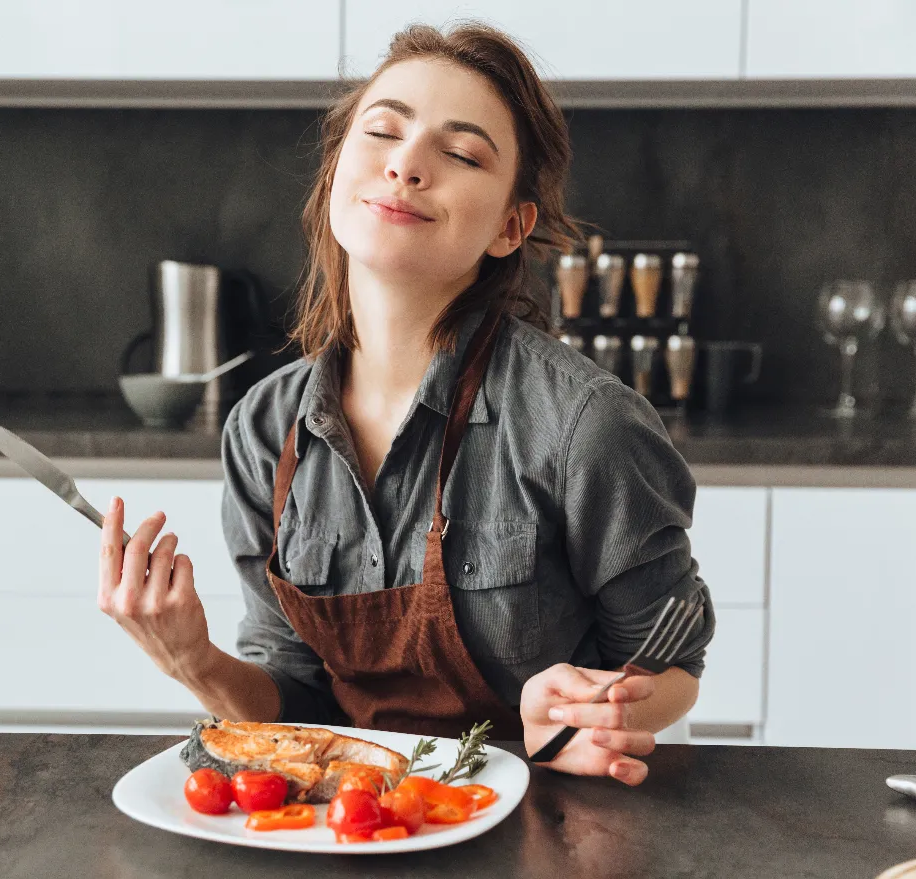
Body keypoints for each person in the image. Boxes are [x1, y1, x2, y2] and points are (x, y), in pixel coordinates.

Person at [98, 22, 715, 787]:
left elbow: (673, 665)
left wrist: (595, 709)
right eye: (382, 131)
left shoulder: (586, 426)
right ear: (334, 175)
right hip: (349, 827)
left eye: (460, 153)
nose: (405, 164)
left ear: (509, 226)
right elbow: (290, 704)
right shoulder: (264, 430)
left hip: (546, 822)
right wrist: (192, 659)